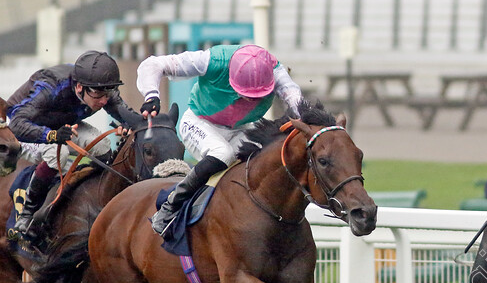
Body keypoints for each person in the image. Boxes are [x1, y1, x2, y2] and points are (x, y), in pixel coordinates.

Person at [136, 44, 303, 237]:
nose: (249, 101)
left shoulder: (277, 72)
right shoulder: (212, 61)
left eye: (256, 97)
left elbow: (295, 99)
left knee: (266, 155)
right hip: (199, 122)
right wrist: (151, 95)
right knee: (222, 153)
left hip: (241, 129)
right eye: (245, 95)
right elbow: (153, 64)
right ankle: (171, 205)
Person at [6, 50, 133, 240]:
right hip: (25, 128)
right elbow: (17, 124)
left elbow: (129, 116)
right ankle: (27, 214)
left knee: (103, 147)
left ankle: (91, 199)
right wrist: (51, 135)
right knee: (60, 154)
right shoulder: (51, 86)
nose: (104, 101)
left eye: (108, 92)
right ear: (80, 87)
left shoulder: (101, 89)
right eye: (98, 94)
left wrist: (131, 125)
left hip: (62, 125)